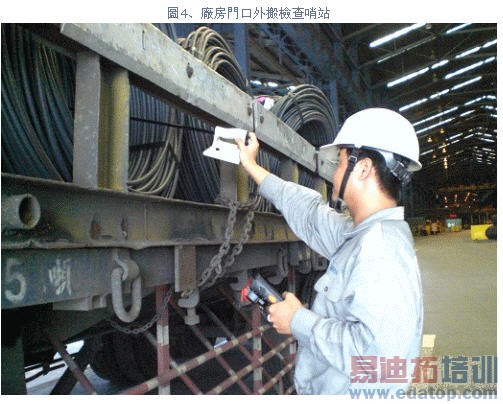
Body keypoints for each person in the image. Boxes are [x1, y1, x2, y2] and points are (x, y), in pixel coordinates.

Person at [236, 108, 424, 395]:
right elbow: (309, 214)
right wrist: (252, 166)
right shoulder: (359, 236)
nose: (334, 174)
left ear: (363, 168)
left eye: (339, 163)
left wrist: (297, 321)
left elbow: (380, 362)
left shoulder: (380, 249)